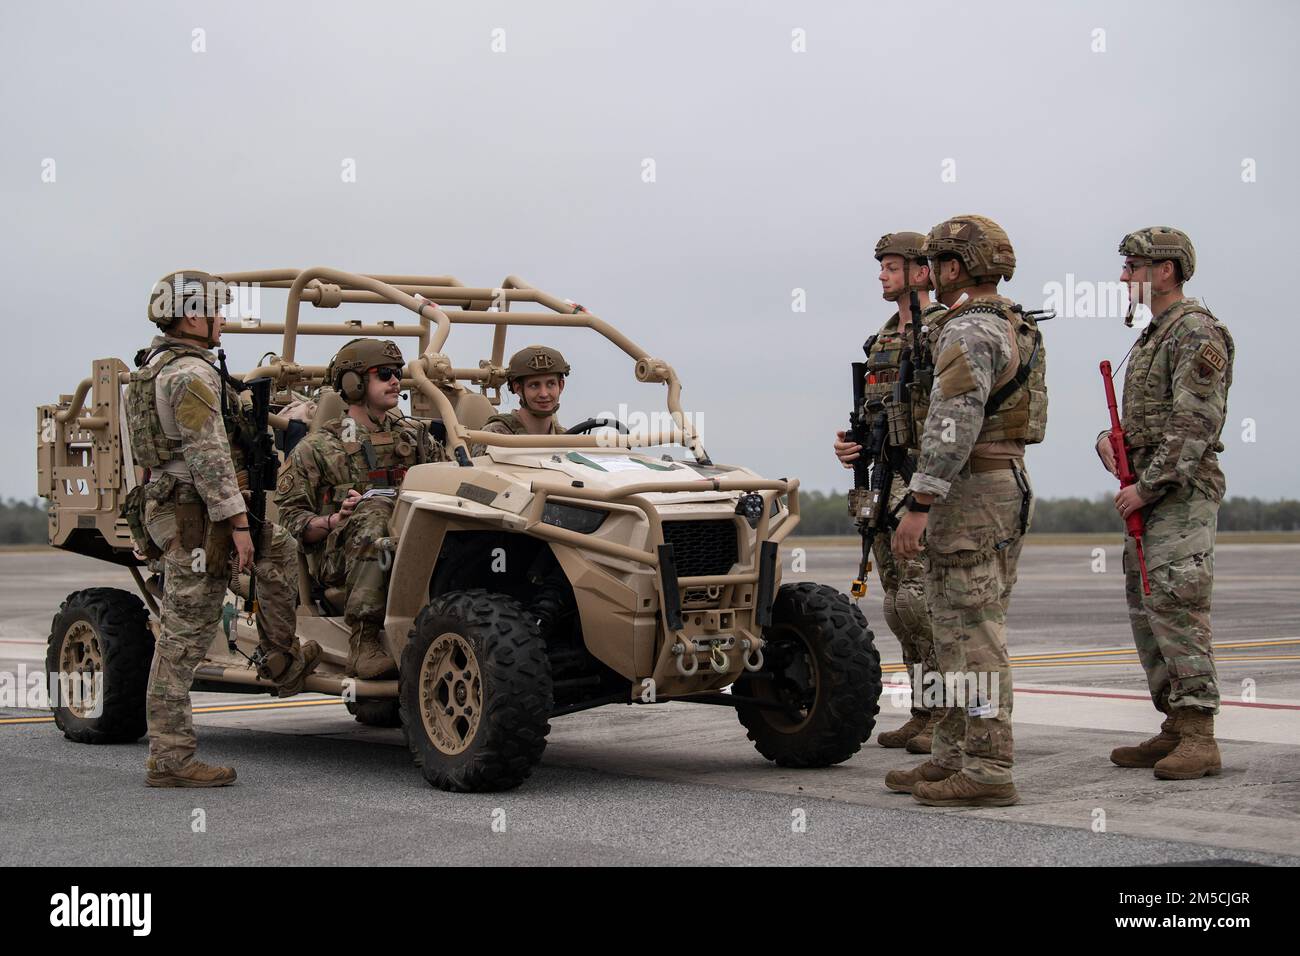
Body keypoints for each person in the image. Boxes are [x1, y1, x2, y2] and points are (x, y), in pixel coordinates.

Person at [127, 271, 319, 788]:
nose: (224, 320)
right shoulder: (190, 375)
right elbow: (207, 455)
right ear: (193, 316)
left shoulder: (154, 368)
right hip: (199, 511)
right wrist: (236, 524)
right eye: (217, 310)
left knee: (278, 552)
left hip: (181, 503)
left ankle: (282, 659)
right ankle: (170, 759)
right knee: (184, 638)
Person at [888, 215, 1047, 807]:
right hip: (990, 484)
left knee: (973, 635)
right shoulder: (1008, 322)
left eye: (934, 263)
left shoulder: (968, 332)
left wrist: (920, 501)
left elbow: (954, 422)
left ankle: (986, 767)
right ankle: (951, 755)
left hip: (971, 490)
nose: (928, 274)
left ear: (956, 268)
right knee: (952, 626)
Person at [1097, 227, 1233, 780]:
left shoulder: (1196, 333)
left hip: (1178, 492)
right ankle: (1175, 723)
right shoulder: (1153, 336)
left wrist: (1146, 487)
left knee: (1177, 605)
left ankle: (1200, 733)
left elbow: (1193, 423)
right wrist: (1110, 444)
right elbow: (1152, 423)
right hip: (1150, 492)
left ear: (1167, 271)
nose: (1125, 276)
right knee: (1147, 608)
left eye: (1134, 266)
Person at [833, 232, 946, 753]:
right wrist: (852, 445)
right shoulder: (880, 340)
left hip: (922, 481)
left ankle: (947, 715)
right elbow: (873, 416)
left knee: (924, 601)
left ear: (922, 272)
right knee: (900, 603)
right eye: (882, 266)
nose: (882, 274)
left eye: (893, 266)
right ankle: (924, 711)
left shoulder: (944, 329)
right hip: (883, 479)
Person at [276, 338, 446, 678]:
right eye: (384, 374)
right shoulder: (319, 447)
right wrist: (333, 519)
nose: (395, 381)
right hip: (339, 555)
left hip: (411, 538)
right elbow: (291, 517)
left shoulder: (416, 437)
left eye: (397, 373)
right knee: (374, 513)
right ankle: (364, 641)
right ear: (353, 384)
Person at [469, 346, 569, 455]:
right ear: (518, 388)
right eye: (534, 385)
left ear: (561, 385)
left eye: (551, 384)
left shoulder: (567, 439)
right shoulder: (495, 437)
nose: (544, 394)